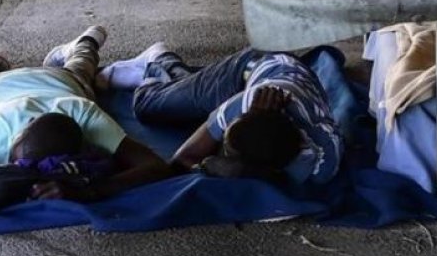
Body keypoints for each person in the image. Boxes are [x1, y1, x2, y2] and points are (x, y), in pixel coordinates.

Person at [0, 26, 171, 202]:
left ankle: (89, 39)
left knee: (81, 67)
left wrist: (89, 190)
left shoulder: (84, 113)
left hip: (52, 83)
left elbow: (158, 167)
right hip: (6, 86)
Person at [102, 44, 343, 185]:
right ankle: (159, 59)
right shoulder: (247, 105)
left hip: (289, 82)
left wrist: (221, 167)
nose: (222, 149)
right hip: (249, 70)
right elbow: (182, 159)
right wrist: (210, 163)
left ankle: (178, 76)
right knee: (148, 107)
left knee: (187, 103)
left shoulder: (322, 160)